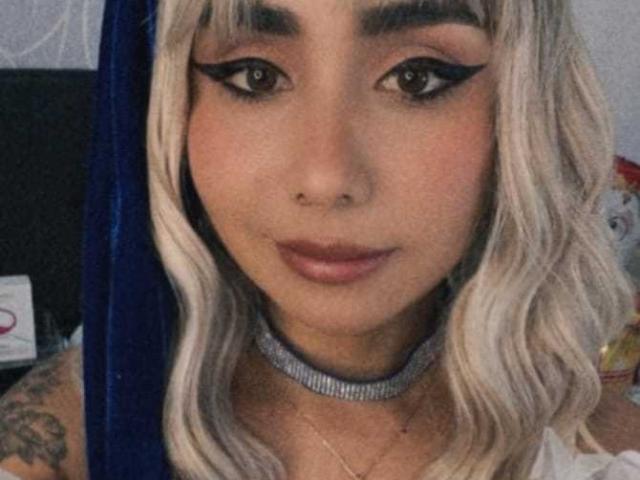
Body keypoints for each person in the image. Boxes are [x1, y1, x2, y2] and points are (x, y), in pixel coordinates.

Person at [1, 0, 639, 479]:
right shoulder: (82, 427)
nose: (327, 179)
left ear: (522, 105)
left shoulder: (597, 447)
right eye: (254, 75)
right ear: (170, 104)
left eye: (416, 77)